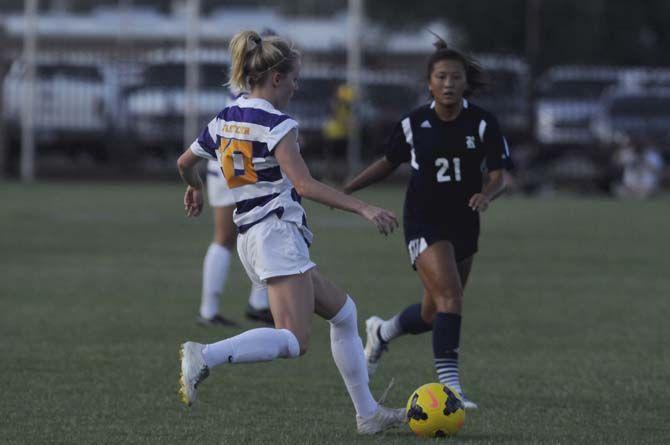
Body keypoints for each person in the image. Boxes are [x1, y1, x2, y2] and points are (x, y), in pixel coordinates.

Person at [176, 30, 406, 434]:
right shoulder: (278, 124)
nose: (298, 86)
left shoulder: (225, 118)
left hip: (254, 235)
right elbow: (305, 185)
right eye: (295, 77)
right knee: (294, 340)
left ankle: (367, 414)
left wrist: (194, 186)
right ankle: (206, 355)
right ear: (276, 78)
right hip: (276, 233)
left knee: (345, 314)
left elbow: (184, 162)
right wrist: (363, 207)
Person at [343, 36, 513, 410]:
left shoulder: (482, 123)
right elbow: (388, 162)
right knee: (451, 297)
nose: (448, 84)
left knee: (433, 312)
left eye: (455, 77)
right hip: (424, 220)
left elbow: (501, 175)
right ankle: (450, 388)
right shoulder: (413, 124)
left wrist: (488, 192)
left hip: (465, 223)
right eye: (441, 77)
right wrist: (346, 191)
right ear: (429, 83)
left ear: (465, 81)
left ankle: (381, 331)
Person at [198, 158, 273, 326]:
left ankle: (257, 303)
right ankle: (210, 311)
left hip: (228, 157)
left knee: (228, 238)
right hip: (242, 159)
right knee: (264, 230)